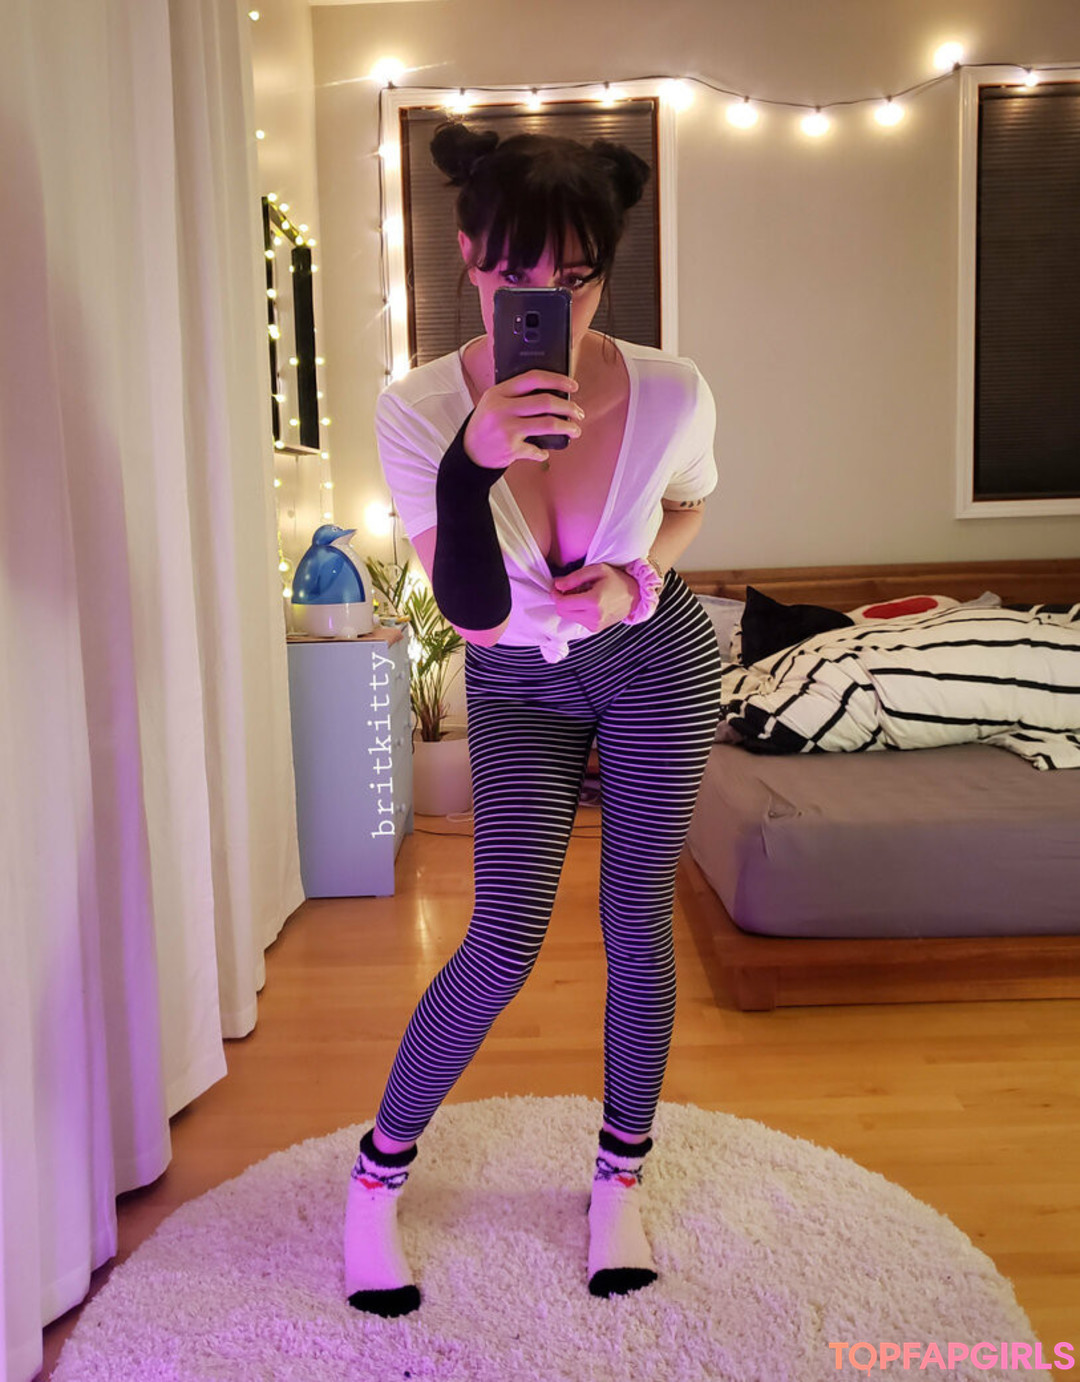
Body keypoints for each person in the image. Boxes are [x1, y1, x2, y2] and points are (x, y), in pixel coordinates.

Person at [344, 119, 724, 1318]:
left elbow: (689, 505)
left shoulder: (672, 388)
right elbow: (469, 610)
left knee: (637, 927)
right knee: (501, 940)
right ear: (468, 255)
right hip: (514, 680)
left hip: (655, 657)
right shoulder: (415, 410)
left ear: (608, 270)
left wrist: (635, 580)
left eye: (578, 279)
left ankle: (619, 1182)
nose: (547, 306)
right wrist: (473, 462)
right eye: (519, 276)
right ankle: (373, 1183)